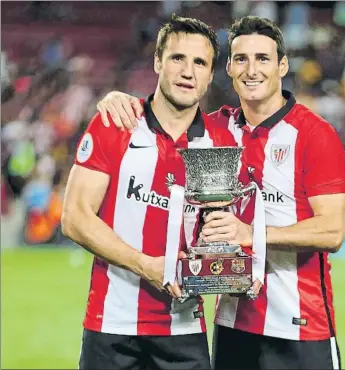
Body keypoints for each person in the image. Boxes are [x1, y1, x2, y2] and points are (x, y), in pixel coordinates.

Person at [96, 16, 345, 370]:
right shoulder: (215, 129)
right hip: (232, 324)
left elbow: (332, 231)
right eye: (241, 58)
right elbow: (164, 113)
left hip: (301, 328)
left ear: (283, 66)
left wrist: (251, 234)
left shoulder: (315, 135)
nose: (252, 69)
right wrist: (119, 100)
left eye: (263, 58)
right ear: (227, 67)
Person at [61, 15, 238, 370]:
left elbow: (216, 233)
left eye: (200, 62)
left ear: (210, 74)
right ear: (157, 62)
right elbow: (75, 218)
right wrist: (145, 264)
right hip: (111, 328)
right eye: (177, 58)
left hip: (184, 330)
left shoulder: (220, 141)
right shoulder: (117, 122)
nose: (188, 71)